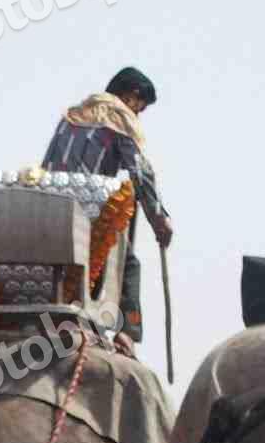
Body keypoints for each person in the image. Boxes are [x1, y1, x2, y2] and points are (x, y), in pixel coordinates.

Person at [41, 66, 173, 350]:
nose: (137, 115)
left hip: (46, 210)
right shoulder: (119, 117)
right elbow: (140, 174)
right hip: (85, 215)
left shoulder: (72, 115)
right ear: (131, 96)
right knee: (129, 263)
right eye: (140, 108)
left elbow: (45, 166)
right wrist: (159, 219)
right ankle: (127, 333)